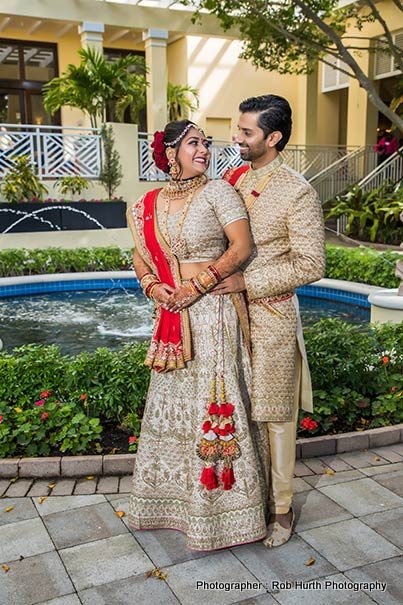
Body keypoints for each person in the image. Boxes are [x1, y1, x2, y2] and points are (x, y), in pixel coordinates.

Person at [126, 119, 268, 551]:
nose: (204, 149)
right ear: (170, 152)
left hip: (213, 312)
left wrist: (196, 287)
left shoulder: (220, 192)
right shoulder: (146, 203)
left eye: (205, 143)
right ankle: (170, 504)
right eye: (193, 143)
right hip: (172, 314)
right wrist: (154, 287)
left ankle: (226, 517)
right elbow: (140, 256)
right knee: (174, 407)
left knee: (212, 400)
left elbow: (241, 249)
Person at [216, 95, 326, 547]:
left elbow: (311, 264)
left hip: (272, 316)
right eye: (238, 129)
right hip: (225, 314)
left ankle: (281, 510)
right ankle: (244, 500)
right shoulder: (234, 178)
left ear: (273, 137)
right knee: (236, 407)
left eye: (246, 132)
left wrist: (248, 282)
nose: (236, 138)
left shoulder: (297, 191)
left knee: (274, 415)